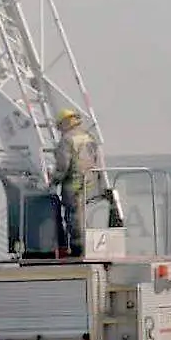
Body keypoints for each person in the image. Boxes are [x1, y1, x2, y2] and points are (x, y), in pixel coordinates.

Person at [50, 108, 106, 255]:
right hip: (90, 182)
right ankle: (88, 246)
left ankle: (78, 249)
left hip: (74, 184)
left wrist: (53, 181)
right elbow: (97, 159)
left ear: (65, 122)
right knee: (83, 215)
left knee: (73, 217)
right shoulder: (88, 136)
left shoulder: (67, 139)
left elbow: (63, 166)